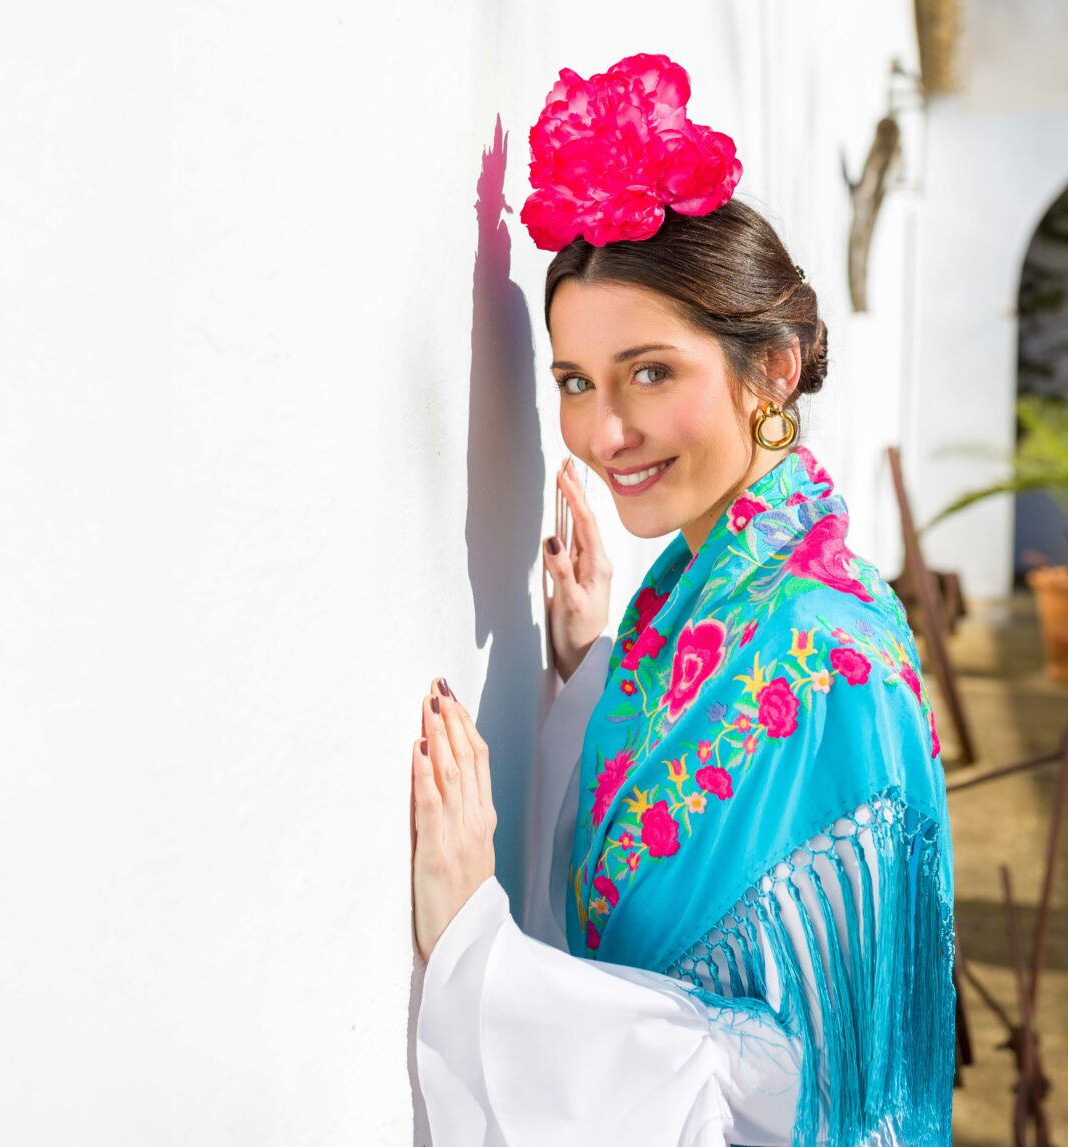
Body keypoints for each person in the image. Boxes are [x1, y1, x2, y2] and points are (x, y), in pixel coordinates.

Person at [409, 53, 955, 1146]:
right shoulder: (696, 607)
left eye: (649, 371)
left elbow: (799, 1088)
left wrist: (479, 952)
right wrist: (597, 674)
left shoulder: (828, 658)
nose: (604, 432)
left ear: (773, 370)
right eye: (575, 382)